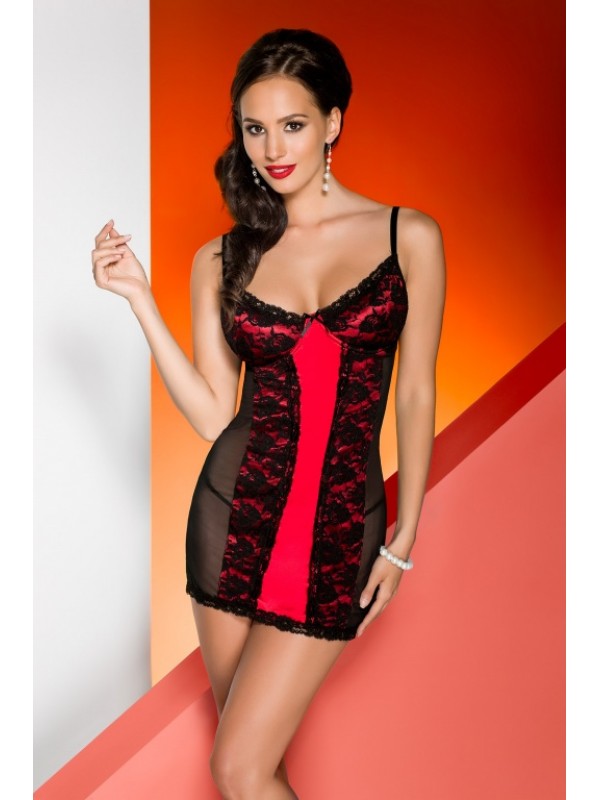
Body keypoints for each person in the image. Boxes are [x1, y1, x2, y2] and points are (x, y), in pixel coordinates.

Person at [91, 27, 445, 800]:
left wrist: (404, 535)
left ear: (333, 122)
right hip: (232, 523)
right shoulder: (221, 259)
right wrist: (139, 299)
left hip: (338, 530)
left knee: (238, 769)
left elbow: (416, 391)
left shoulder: (408, 236)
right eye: (254, 128)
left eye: (292, 124)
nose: (272, 148)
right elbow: (213, 413)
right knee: (252, 768)